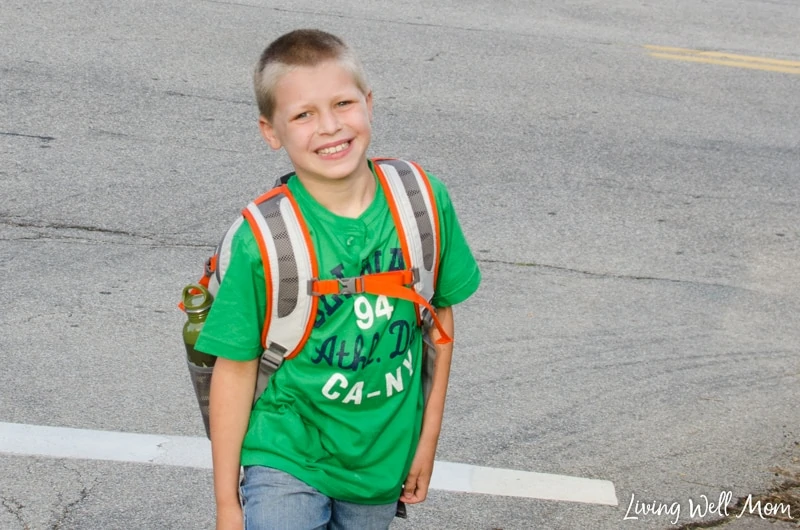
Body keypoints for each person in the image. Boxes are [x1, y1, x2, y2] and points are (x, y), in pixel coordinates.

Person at [195, 28, 481, 530]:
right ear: (271, 131)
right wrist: (226, 505)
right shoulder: (262, 238)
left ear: (369, 103)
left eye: (343, 103)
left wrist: (427, 438)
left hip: (380, 459)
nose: (329, 127)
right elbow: (234, 369)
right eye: (303, 114)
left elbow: (439, 322)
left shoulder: (422, 201)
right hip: (286, 448)